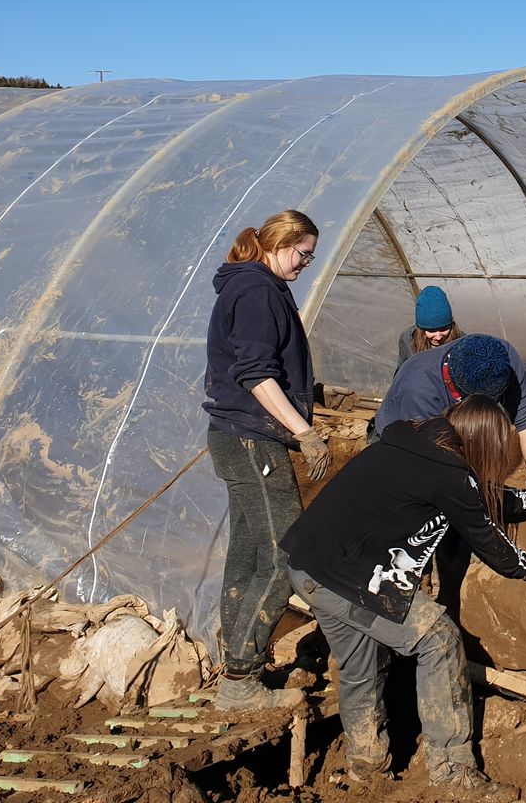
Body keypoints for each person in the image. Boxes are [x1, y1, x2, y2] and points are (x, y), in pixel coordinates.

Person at [281, 395, 526, 793]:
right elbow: (491, 541)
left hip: (308, 564)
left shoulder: (417, 445)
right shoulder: (449, 475)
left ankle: (367, 763)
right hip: (344, 577)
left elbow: (481, 498)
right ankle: (453, 772)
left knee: (361, 666)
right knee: (439, 638)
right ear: (485, 446)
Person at [202, 209, 331, 710]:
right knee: (288, 552)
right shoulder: (256, 291)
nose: (305, 265)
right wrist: (304, 432)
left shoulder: (254, 286)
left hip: (237, 437)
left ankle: (235, 664)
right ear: (280, 244)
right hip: (253, 440)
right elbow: (256, 375)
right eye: (302, 254)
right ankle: (240, 680)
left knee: (250, 551)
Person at [374, 333, 526, 491]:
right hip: (399, 434)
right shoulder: (418, 389)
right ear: (460, 393)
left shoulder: (503, 360)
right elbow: (438, 462)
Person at [395, 285, 460, 370]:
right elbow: (401, 372)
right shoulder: (408, 340)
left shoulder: (461, 343)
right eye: (432, 331)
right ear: (421, 330)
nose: (438, 337)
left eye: (444, 329)